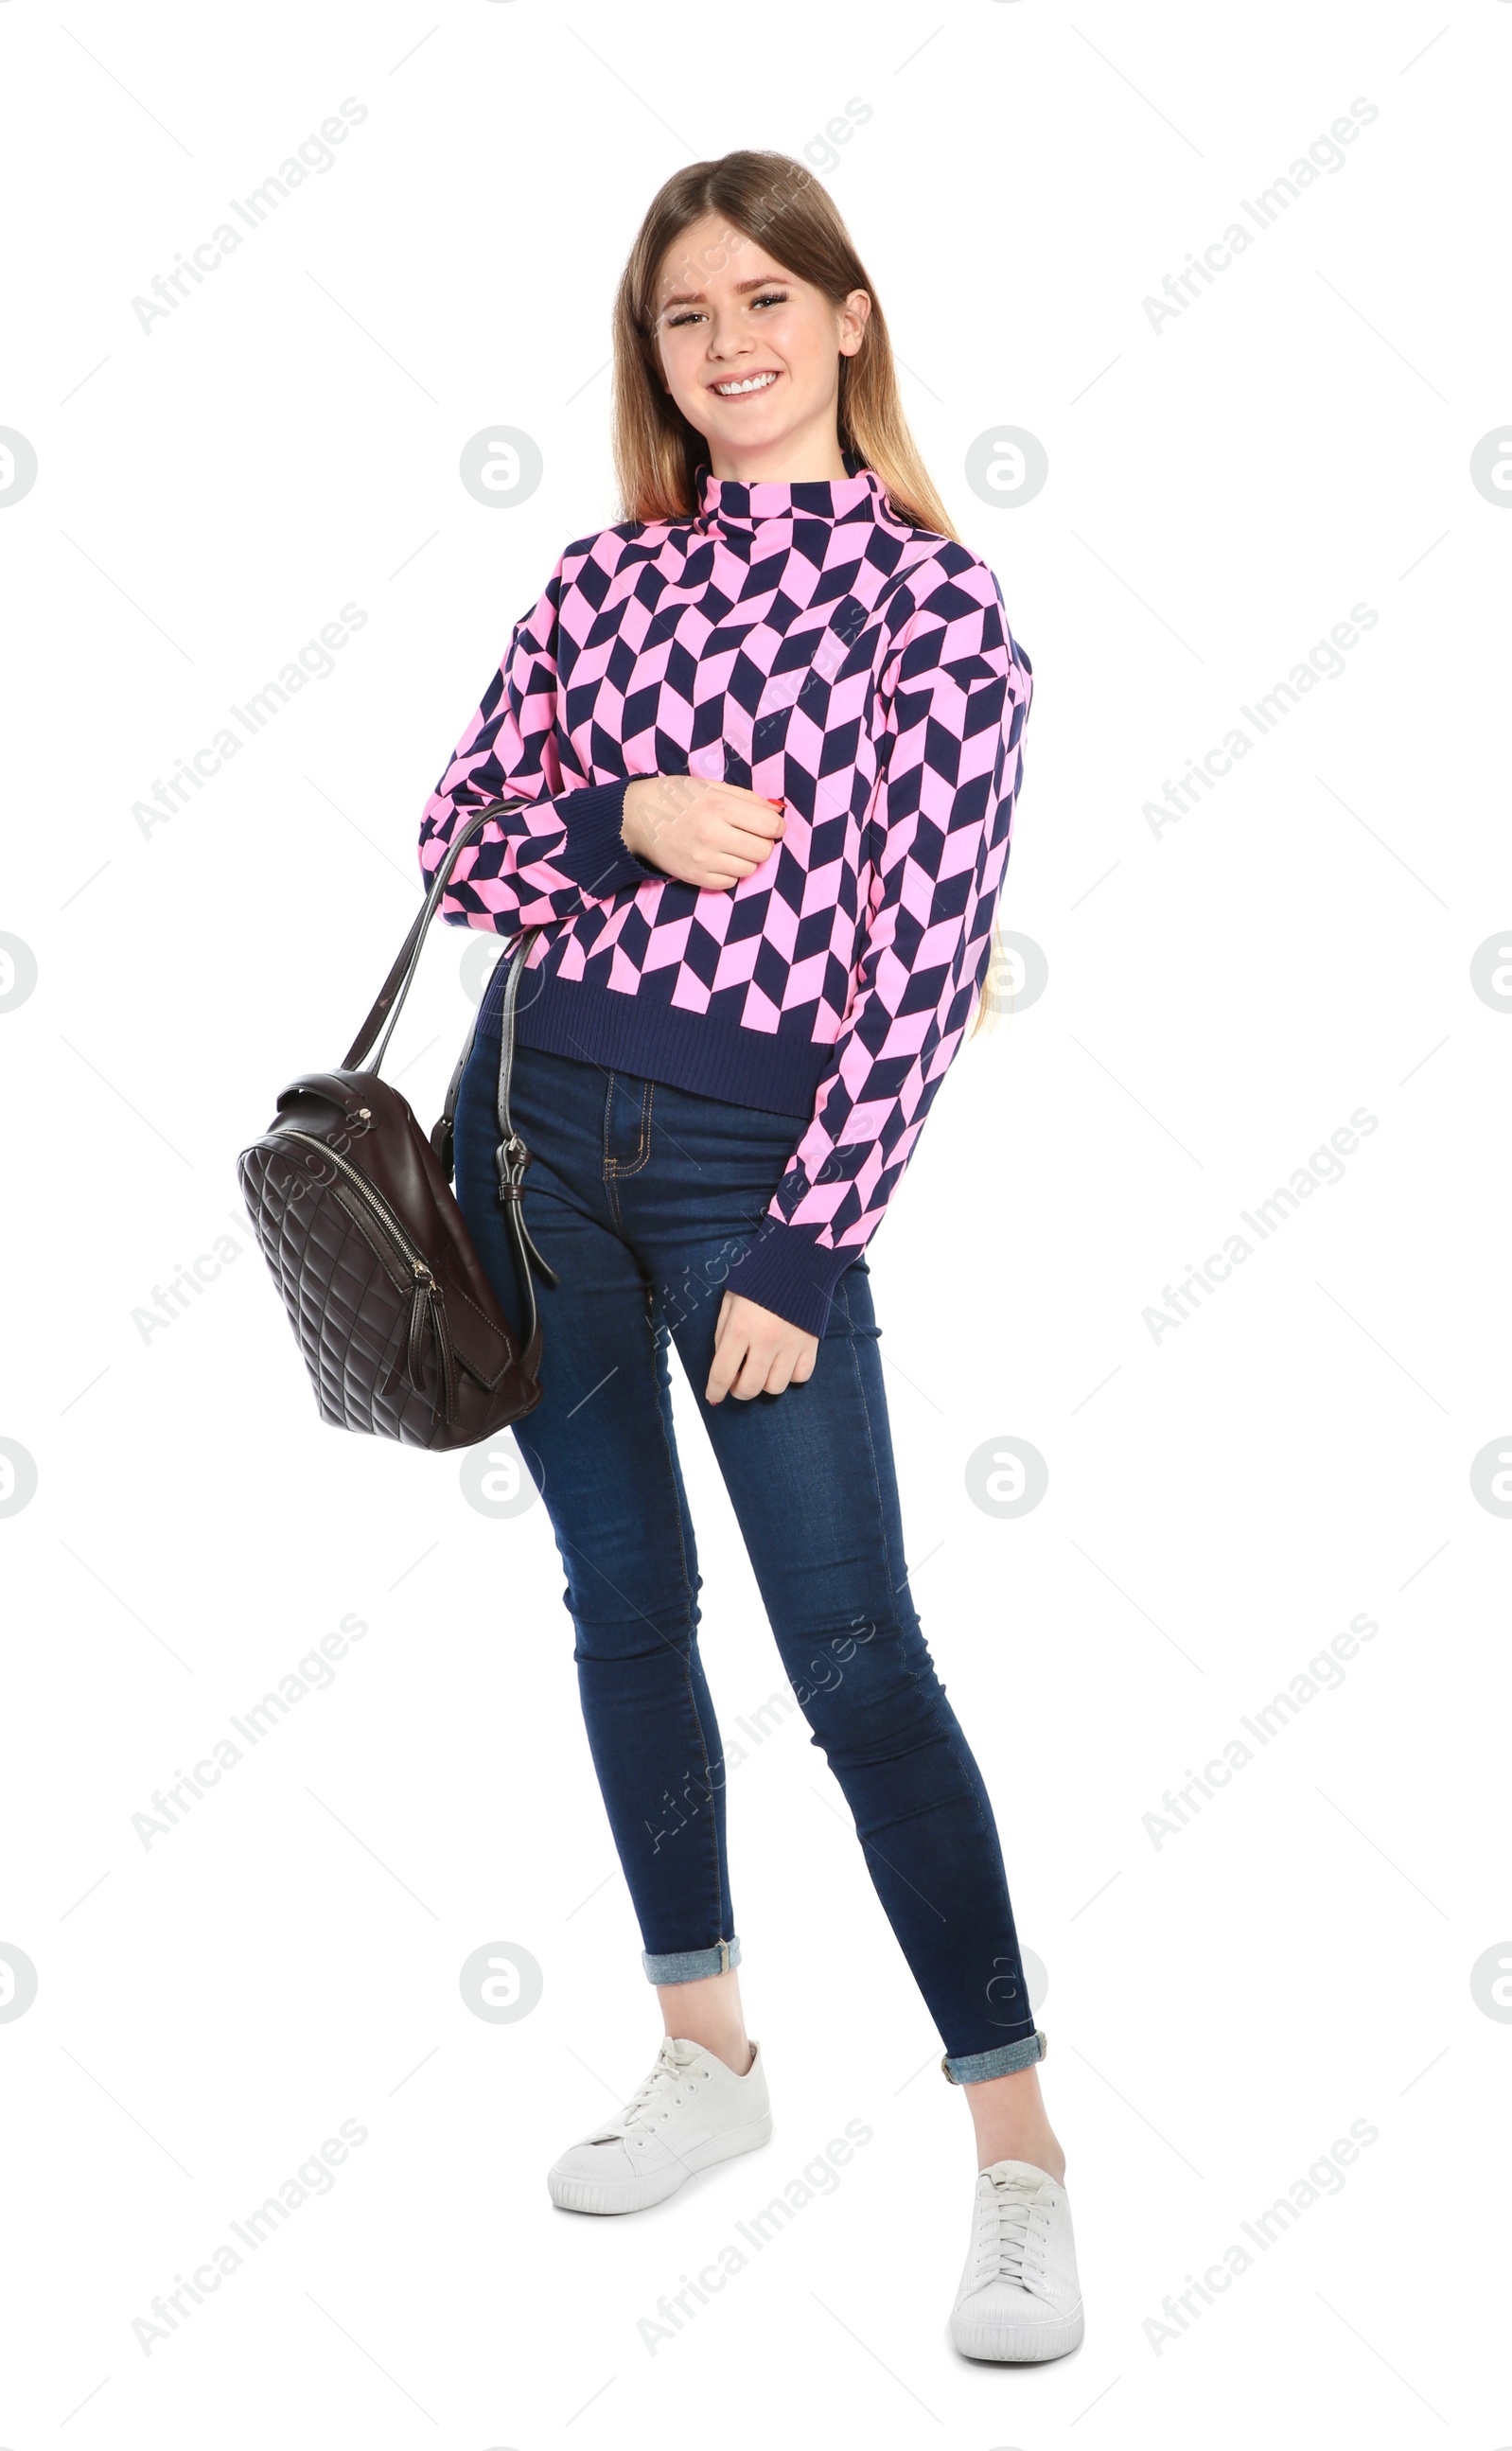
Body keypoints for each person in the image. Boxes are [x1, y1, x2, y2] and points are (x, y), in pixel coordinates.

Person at [418, 150, 1083, 2364]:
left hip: (740, 1181)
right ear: (657, 353)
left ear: (849, 318)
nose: (728, 344)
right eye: (686, 314)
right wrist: (616, 817)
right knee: (623, 1608)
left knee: (858, 1660)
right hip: (538, 1148)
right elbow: (455, 837)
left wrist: (803, 1240)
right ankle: (706, 2049)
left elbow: (916, 969)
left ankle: (1016, 2155)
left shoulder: (931, 615)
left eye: (765, 299)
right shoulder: (599, 585)